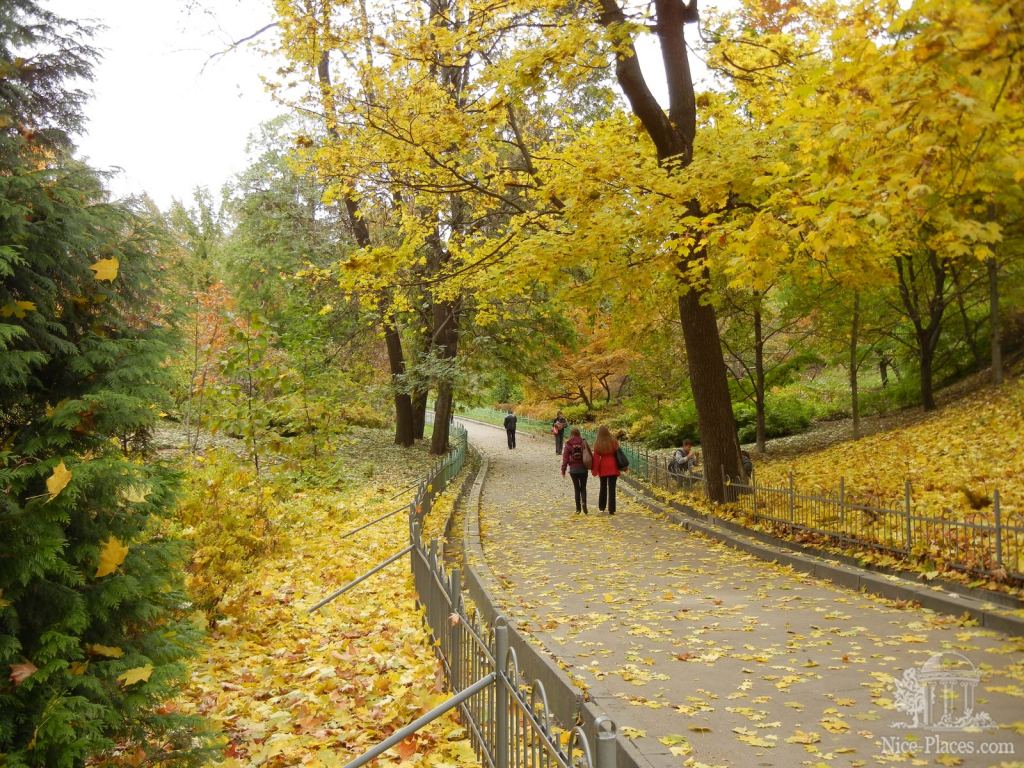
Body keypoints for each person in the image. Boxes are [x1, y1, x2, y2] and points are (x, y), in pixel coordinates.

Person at [591, 425, 621, 515]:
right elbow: (618, 453)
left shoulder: (597, 443)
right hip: (613, 465)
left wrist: (594, 471)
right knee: (612, 488)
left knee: (603, 487)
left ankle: (602, 507)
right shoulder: (613, 441)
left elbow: (596, 458)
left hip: (603, 466)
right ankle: (612, 509)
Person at [560, 427, 590, 514]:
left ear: (571, 434)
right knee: (583, 488)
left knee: (576, 489)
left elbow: (565, 458)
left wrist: (563, 470)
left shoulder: (568, 444)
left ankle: (578, 509)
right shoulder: (583, 442)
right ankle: (584, 502)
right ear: (579, 433)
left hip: (573, 470)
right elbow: (589, 454)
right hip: (583, 469)